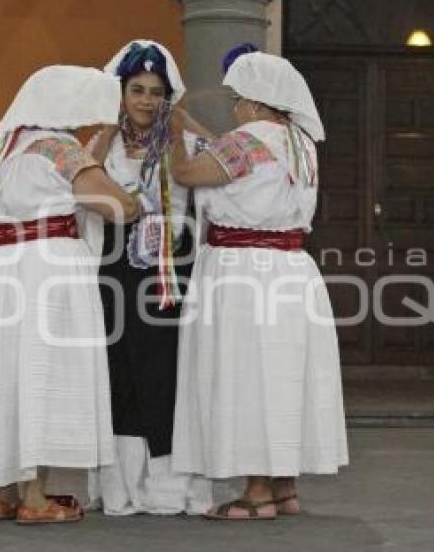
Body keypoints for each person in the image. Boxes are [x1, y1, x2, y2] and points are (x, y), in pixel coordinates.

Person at [0, 65, 139, 524]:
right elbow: (119, 206)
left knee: (4, 373)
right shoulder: (61, 148)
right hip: (46, 269)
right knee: (42, 369)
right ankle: (35, 497)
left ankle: (3, 492)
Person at [169, 47, 349, 520]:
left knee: (246, 374)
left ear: (253, 101)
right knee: (283, 375)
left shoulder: (246, 141)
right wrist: (197, 130)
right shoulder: (300, 141)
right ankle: (284, 485)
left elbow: (186, 172)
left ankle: (256, 493)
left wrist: (172, 130)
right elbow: (232, 156)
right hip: (290, 268)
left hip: (243, 271)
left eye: (238, 99)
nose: (234, 107)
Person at [86, 40, 214, 516]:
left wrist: (180, 119)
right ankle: (120, 486)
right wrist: (102, 126)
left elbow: (222, 156)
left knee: (165, 368)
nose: (145, 100)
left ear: (168, 95)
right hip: (117, 262)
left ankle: (168, 486)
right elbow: (83, 179)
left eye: (155, 91)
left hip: (170, 266)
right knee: (120, 366)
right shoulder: (106, 141)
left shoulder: (181, 138)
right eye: (135, 89)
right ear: (119, 93)